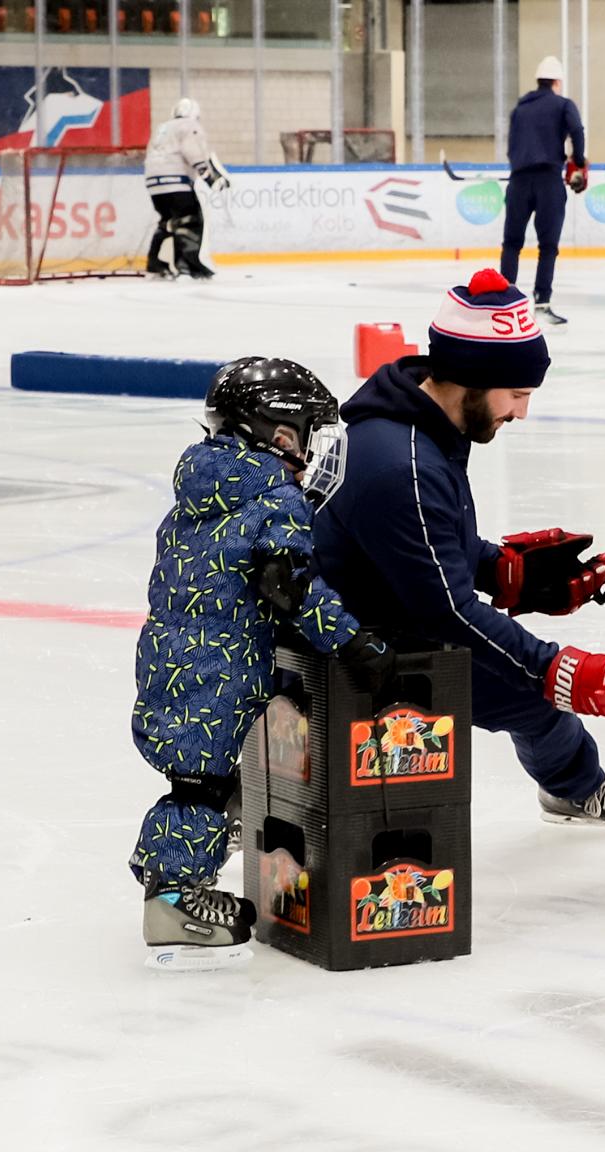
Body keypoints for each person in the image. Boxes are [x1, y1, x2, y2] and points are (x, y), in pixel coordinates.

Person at [313, 268, 605, 827]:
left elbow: (433, 539)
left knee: (537, 702)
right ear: (472, 377)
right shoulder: (401, 462)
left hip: (383, 606)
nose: (521, 412)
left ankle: (572, 788)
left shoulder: (423, 423)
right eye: (517, 394)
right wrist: (556, 667)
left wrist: (503, 571)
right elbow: (446, 611)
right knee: (539, 690)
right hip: (354, 644)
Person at [128, 358, 393, 971]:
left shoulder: (202, 491)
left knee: (201, 781)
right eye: (305, 435)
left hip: (173, 655)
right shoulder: (274, 494)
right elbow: (290, 587)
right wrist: (353, 643)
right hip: (221, 665)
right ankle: (171, 901)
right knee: (206, 787)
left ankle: (175, 883)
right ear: (279, 433)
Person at [499, 55, 587, 326]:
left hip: (519, 180)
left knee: (512, 243)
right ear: (557, 82)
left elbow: (512, 144)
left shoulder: (520, 109)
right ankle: (542, 302)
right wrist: (579, 163)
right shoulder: (562, 105)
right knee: (548, 246)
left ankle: (505, 301)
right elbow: (577, 131)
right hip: (548, 180)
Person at [143, 97, 229, 280]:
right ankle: (187, 266)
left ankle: (155, 262)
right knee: (190, 220)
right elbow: (193, 151)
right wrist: (209, 178)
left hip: (153, 184)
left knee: (168, 220)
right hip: (175, 180)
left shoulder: (163, 128)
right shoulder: (189, 126)